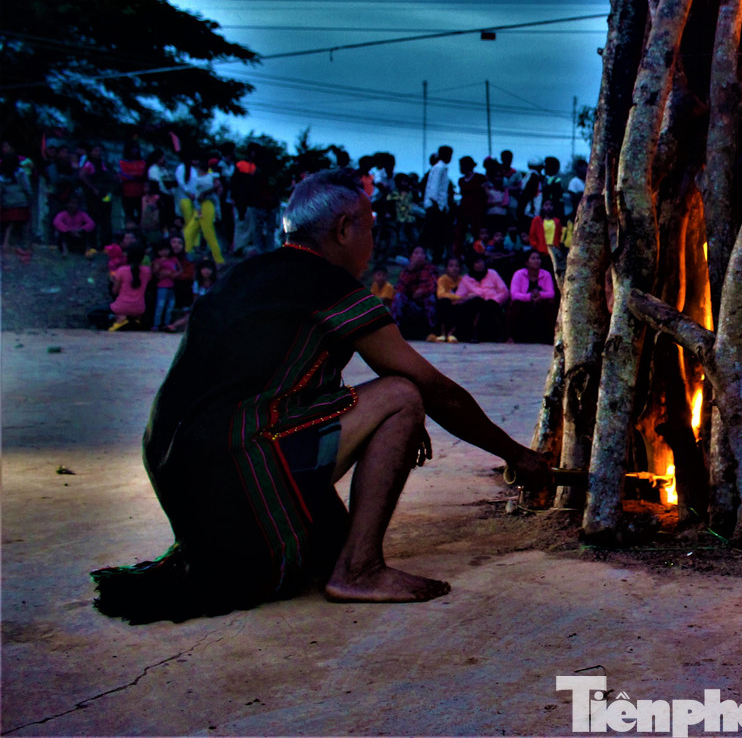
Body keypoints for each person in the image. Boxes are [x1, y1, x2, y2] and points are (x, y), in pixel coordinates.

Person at [90, 168, 551, 624]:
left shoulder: (244, 274)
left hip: (181, 473)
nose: (373, 243)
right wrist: (516, 455)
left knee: (332, 518)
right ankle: (359, 569)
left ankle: (312, 549)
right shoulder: (329, 285)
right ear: (344, 228)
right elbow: (436, 392)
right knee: (401, 395)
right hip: (232, 467)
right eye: (370, 229)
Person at [89, 244, 150, 331]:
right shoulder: (147, 271)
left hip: (120, 307)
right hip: (139, 308)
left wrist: (113, 281)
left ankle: (116, 318)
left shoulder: (122, 270)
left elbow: (114, 291)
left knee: (92, 312)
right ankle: (132, 320)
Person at [181, 156, 225, 265]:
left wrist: (205, 193)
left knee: (208, 233)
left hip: (207, 204)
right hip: (199, 206)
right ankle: (185, 257)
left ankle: (219, 259)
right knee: (188, 231)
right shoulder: (200, 177)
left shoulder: (208, 175)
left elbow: (218, 185)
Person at [456, 254, 510, 342]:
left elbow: (504, 291)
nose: (481, 264)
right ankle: (472, 334)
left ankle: (498, 335)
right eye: (477, 262)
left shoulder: (492, 274)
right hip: (476, 308)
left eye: (482, 261)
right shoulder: (466, 280)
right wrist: (469, 297)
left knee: (489, 306)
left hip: (492, 306)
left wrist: (494, 300)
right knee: (476, 302)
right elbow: (458, 298)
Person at [507, 249, 557, 343]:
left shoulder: (546, 274)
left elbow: (551, 293)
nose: (536, 261)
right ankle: (511, 336)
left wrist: (539, 295)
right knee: (515, 304)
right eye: (533, 258)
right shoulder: (519, 274)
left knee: (550, 304)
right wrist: (530, 296)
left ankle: (551, 337)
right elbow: (514, 294)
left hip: (540, 302)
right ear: (527, 262)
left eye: (538, 258)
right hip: (524, 303)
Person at [390, 246, 438, 340]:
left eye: (422, 253)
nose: (419, 256)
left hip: (424, 301)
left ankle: (432, 330)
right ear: (411, 257)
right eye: (416, 253)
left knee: (431, 299)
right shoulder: (406, 271)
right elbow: (400, 288)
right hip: (410, 301)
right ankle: (395, 329)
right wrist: (410, 271)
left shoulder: (430, 269)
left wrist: (423, 291)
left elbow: (433, 286)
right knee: (398, 297)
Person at [422, 145, 453, 262]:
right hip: (435, 206)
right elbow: (434, 188)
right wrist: (437, 205)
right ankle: (435, 258)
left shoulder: (441, 168)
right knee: (436, 233)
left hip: (438, 206)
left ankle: (437, 257)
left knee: (438, 233)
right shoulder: (439, 168)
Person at [431, 256, 465, 343]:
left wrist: (460, 299)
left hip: (458, 305)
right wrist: (457, 297)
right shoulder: (442, 279)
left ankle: (453, 333)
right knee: (444, 301)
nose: (454, 268)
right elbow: (440, 294)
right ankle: (442, 333)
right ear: (446, 268)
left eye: (457, 266)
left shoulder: (463, 280)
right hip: (446, 304)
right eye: (451, 266)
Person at [150, 240, 181, 330]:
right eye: (162, 250)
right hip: (162, 286)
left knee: (170, 307)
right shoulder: (157, 261)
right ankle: (156, 324)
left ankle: (166, 324)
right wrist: (160, 270)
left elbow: (180, 269)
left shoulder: (174, 259)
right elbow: (154, 272)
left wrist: (175, 274)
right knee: (160, 306)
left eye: (166, 250)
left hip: (172, 285)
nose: (164, 252)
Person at [117, 142, 148, 231]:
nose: (135, 151)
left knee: (141, 215)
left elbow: (143, 174)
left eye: (136, 148)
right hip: (127, 194)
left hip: (141, 194)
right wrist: (136, 176)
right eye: (133, 149)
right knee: (129, 215)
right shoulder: (122, 162)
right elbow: (123, 175)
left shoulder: (142, 162)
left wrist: (136, 176)